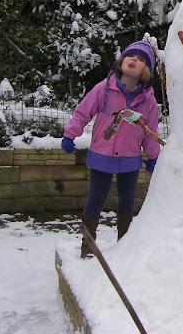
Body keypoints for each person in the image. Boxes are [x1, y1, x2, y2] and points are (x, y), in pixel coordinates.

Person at [61, 40, 161, 258]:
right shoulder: (104, 89)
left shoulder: (148, 101)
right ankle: (87, 246)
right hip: (102, 154)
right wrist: (70, 134)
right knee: (96, 196)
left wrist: (153, 155)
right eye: (131, 56)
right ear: (121, 61)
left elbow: (151, 130)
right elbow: (82, 112)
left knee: (127, 199)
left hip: (130, 158)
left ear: (146, 71)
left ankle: (123, 245)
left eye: (142, 59)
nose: (135, 60)